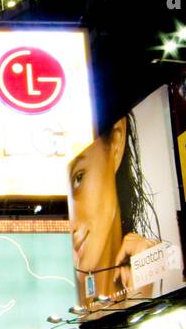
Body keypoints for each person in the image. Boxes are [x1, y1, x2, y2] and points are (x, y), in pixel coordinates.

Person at [67, 109, 165, 309]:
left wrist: (143, 290)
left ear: (116, 143)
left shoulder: (164, 270)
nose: (70, 225)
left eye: (78, 178)